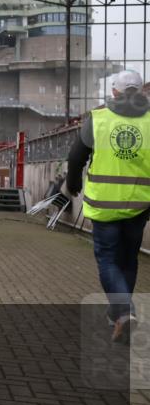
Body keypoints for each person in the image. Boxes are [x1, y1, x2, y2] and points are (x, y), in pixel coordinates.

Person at [64, 69, 150, 345]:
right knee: (128, 259)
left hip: (104, 206)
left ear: (114, 91)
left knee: (108, 260)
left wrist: (73, 182)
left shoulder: (99, 117)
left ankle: (124, 312)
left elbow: (76, 156)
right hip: (139, 205)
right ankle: (118, 315)